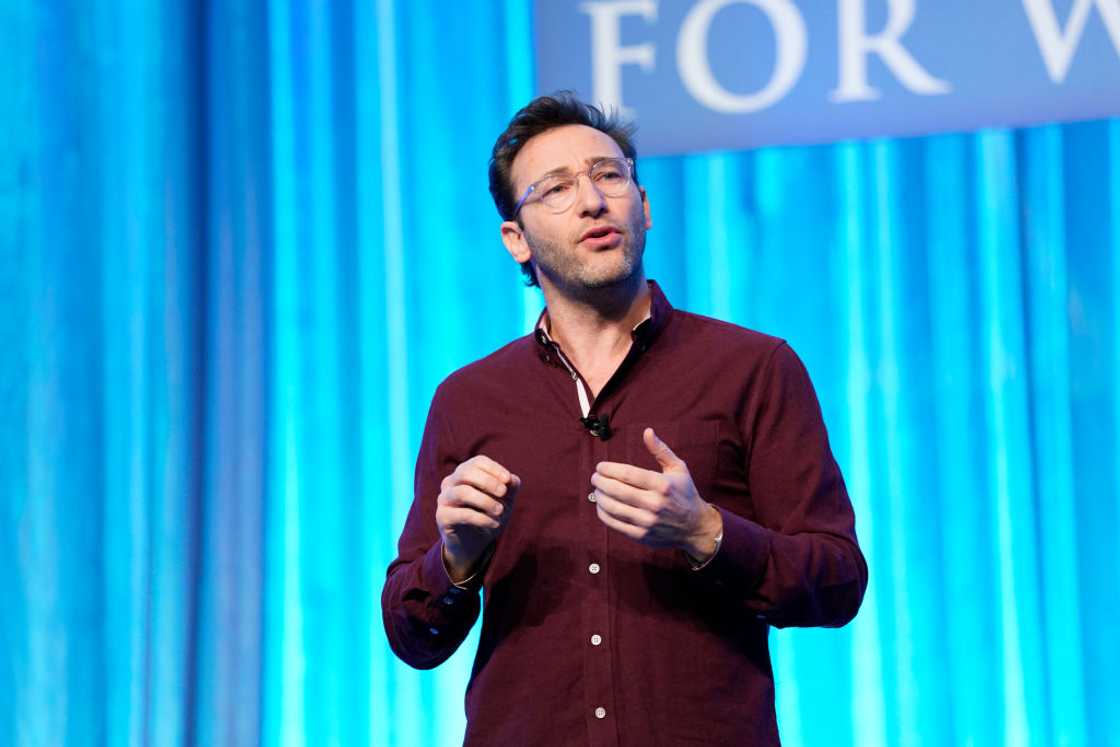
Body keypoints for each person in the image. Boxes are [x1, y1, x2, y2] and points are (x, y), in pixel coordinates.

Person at [381, 93, 867, 746]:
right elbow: (412, 635)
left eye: (609, 175)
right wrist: (457, 560)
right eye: (555, 188)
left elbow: (836, 582)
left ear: (645, 205)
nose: (592, 200)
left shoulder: (753, 368)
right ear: (516, 239)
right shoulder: (469, 399)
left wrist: (707, 533)